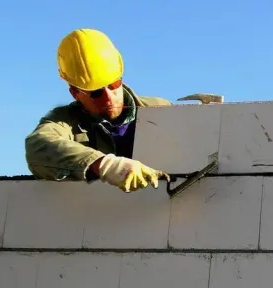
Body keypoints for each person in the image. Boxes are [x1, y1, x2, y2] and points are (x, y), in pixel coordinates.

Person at [25, 28, 173, 193]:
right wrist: (103, 164)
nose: (108, 97)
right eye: (96, 92)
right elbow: (38, 146)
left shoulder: (162, 110)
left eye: (114, 85)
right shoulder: (64, 120)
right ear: (75, 93)